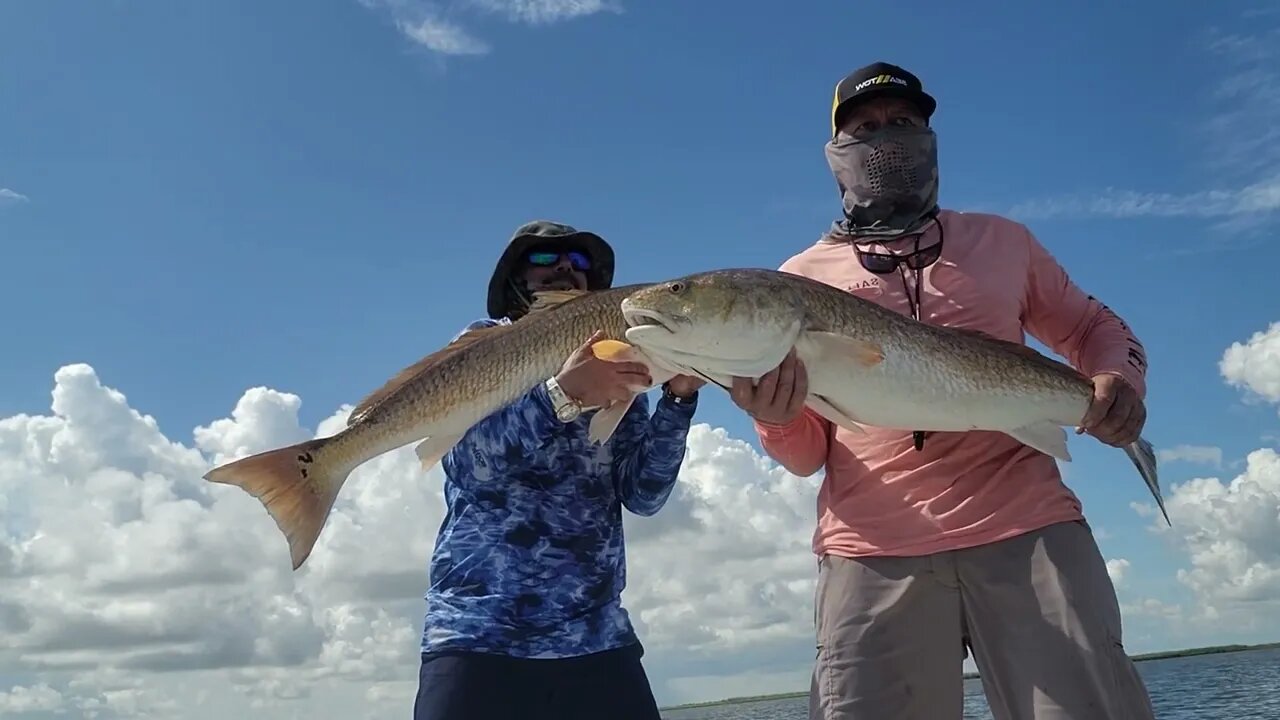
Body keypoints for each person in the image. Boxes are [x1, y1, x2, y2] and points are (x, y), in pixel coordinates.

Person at [729, 62, 1158, 720]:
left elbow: (1096, 327)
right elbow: (806, 454)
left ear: (930, 136)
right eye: (864, 127)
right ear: (836, 153)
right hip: (871, 548)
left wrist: (1118, 381)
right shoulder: (799, 280)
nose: (884, 138)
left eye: (902, 122)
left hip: (1029, 525)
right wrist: (775, 417)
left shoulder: (1002, 241)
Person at [412, 220, 705, 720]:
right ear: (515, 280)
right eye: (544, 260)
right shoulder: (481, 344)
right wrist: (563, 396)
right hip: (477, 635)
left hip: (597, 638)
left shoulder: (624, 370)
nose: (566, 268)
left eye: (580, 262)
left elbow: (644, 495)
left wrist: (678, 399)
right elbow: (471, 466)